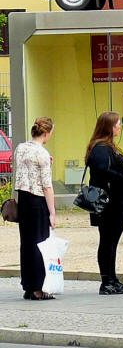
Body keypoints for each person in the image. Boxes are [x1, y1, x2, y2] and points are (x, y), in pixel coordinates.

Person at [84, 111, 123, 295]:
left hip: (116, 200)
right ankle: (107, 281)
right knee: (107, 241)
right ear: (110, 127)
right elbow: (102, 171)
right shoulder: (101, 148)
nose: (120, 127)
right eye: (118, 124)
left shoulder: (106, 146)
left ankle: (113, 278)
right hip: (109, 202)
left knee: (111, 242)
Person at [13, 117, 56, 300]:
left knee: (27, 243)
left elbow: (24, 168)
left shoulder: (20, 148)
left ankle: (28, 285)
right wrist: (52, 212)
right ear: (46, 133)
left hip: (23, 199)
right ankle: (38, 287)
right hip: (38, 200)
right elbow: (47, 186)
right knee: (40, 243)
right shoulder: (43, 153)